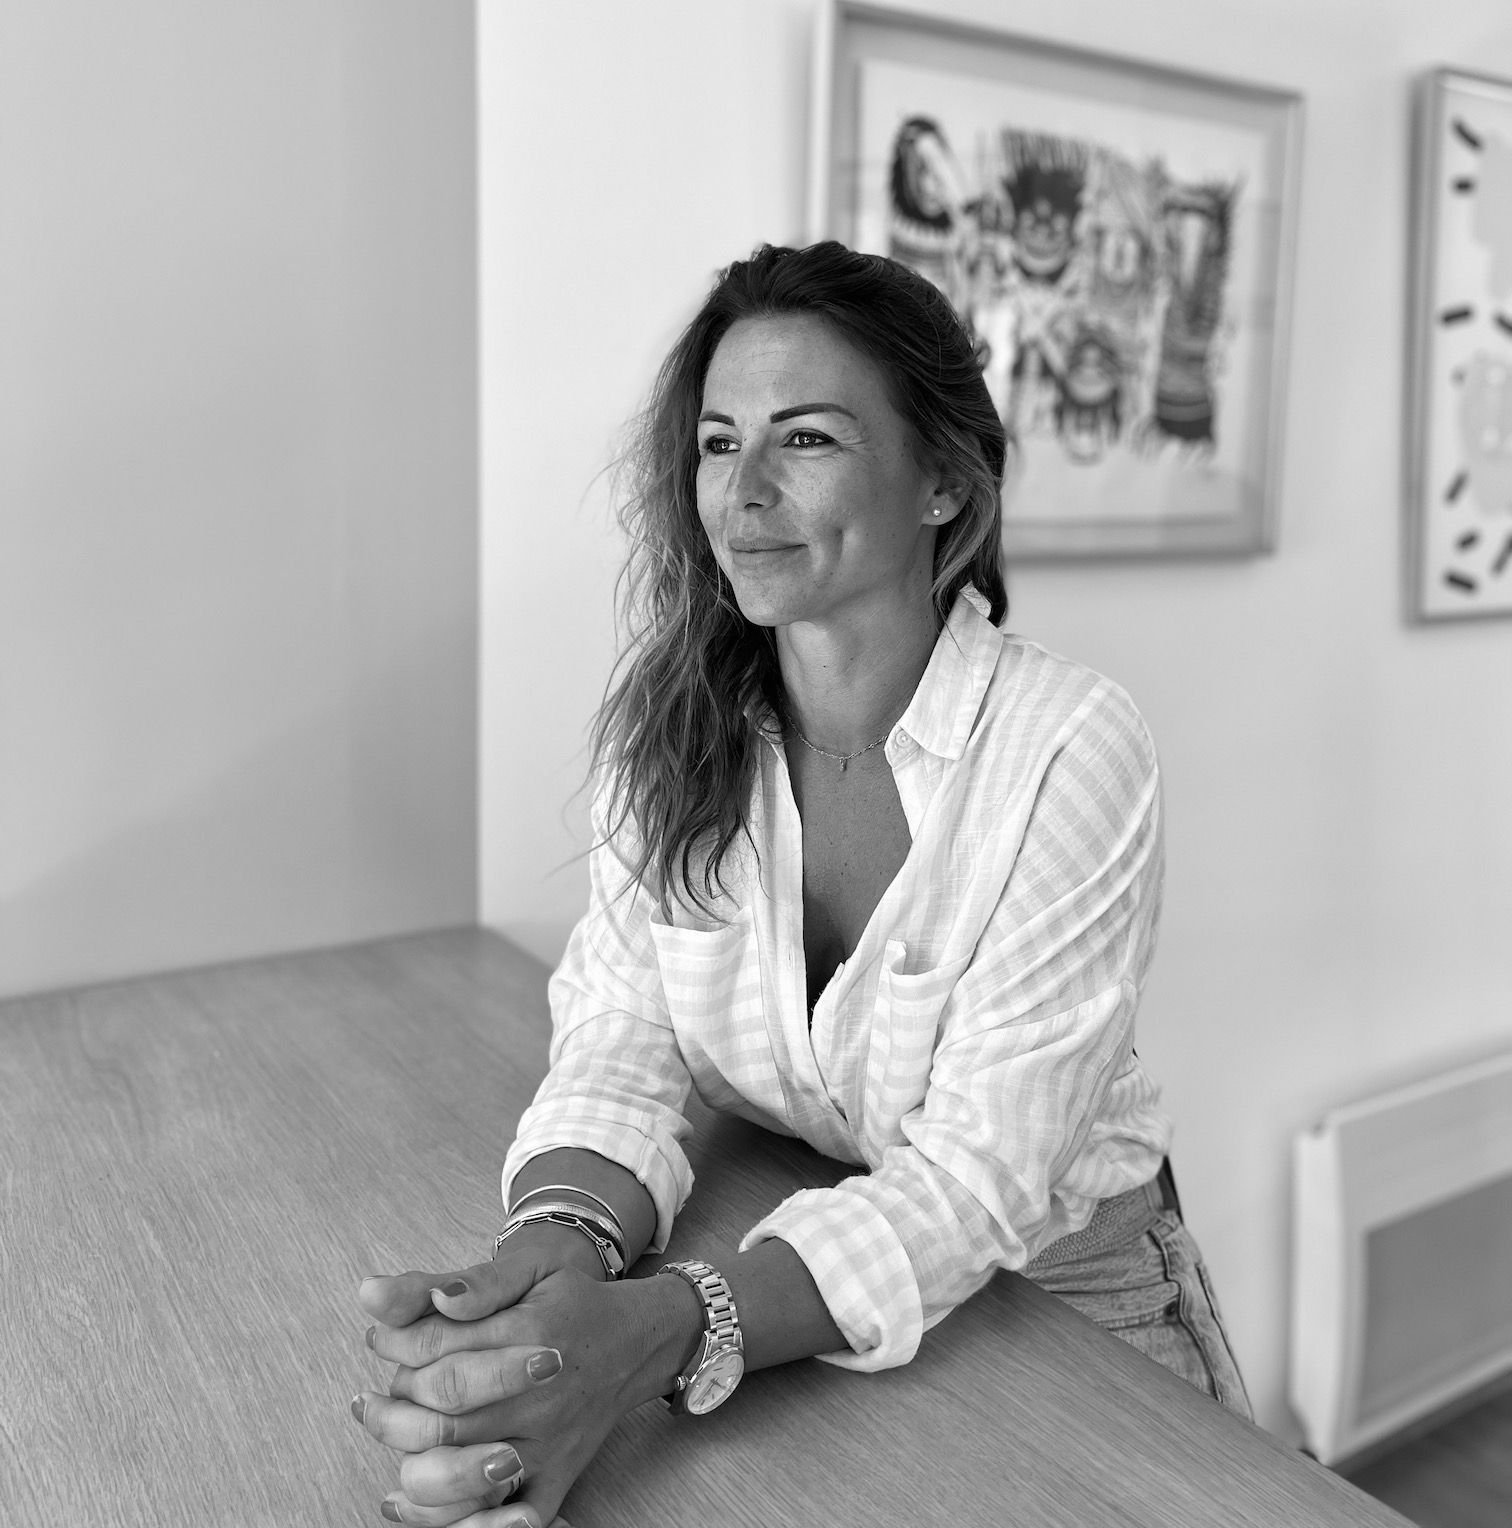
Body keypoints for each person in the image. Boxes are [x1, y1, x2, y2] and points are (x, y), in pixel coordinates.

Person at [350, 241, 1251, 1528]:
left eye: (808, 439)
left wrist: (658, 1333)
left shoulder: (1069, 746)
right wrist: (545, 1289)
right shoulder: (668, 734)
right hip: (803, 1256)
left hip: (1062, 1297)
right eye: (718, 443)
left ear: (944, 480)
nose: (744, 491)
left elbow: (977, 1180)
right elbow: (623, 1036)